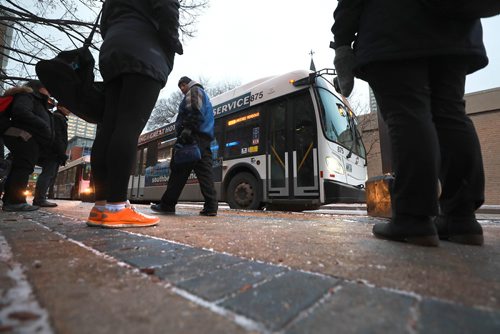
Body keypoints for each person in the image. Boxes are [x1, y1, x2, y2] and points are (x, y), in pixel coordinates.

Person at [331, 0, 488, 246]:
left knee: (407, 113)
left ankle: (414, 219)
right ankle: (462, 219)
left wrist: (341, 42)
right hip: (455, 27)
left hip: (394, 26)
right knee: (451, 113)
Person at [87, 0, 183, 228]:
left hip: (113, 50)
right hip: (144, 51)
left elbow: (105, 24)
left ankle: (100, 206)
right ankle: (117, 206)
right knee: (129, 126)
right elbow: (167, 8)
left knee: (109, 127)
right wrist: (172, 43)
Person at [151, 76, 218, 216]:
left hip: (191, 137)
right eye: (180, 87)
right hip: (204, 140)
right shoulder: (203, 94)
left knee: (178, 171)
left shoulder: (194, 90)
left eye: (182, 85)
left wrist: (186, 131)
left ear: (188, 83)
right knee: (205, 174)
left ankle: (167, 205)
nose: (182, 89)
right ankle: (211, 206)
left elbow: (194, 110)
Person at [2, 80, 53, 212]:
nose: (49, 92)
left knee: (21, 166)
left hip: (26, 136)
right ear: (39, 88)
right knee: (23, 167)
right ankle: (15, 201)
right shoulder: (27, 96)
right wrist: (43, 125)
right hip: (23, 135)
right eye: (47, 88)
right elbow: (21, 111)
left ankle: (10, 200)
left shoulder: (33, 99)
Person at [33, 105, 70, 207]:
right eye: (67, 107)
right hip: (53, 152)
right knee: (48, 174)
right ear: (60, 107)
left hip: (52, 151)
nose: (69, 110)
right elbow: (57, 136)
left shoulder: (58, 117)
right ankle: (40, 199)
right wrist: (61, 153)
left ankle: (40, 198)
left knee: (49, 175)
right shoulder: (58, 117)